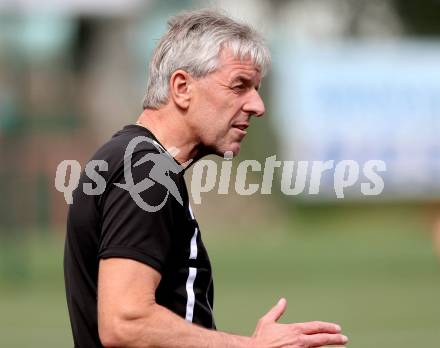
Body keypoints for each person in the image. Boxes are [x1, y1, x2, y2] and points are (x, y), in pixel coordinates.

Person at [64, 9, 349, 348]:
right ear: (182, 87)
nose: (257, 105)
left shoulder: (139, 161)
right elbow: (126, 321)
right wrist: (252, 347)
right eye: (239, 86)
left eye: (256, 89)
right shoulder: (145, 170)